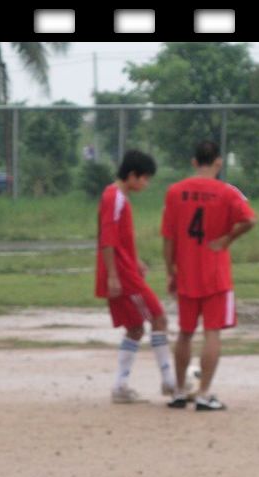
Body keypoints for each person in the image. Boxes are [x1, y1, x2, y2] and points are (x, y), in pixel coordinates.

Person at [162, 141, 256, 411]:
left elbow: (168, 238)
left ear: (194, 162)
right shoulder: (227, 192)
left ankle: (179, 392)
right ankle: (203, 394)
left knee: (185, 332)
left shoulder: (175, 192)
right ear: (219, 162)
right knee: (212, 333)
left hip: (186, 272)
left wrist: (170, 271)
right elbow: (250, 220)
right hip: (215, 274)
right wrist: (227, 239)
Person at [95, 150, 175, 404]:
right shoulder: (114, 197)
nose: (146, 184)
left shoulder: (117, 197)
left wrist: (135, 259)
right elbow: (107, 239)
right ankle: (170, 382)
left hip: (126, 269)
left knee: (135, 327)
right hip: (123, 275)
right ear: (132, 175)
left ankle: (120, 386)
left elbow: (119, 238)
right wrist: (113, 275)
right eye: (145, 178)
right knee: (159, 318)